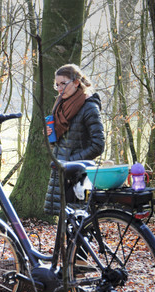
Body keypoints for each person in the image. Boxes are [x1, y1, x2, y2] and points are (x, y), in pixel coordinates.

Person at [44, 64, 105, 215]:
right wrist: (51, 136)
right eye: (57, 84)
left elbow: (98, 145)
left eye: (63, 84)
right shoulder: (60, 106)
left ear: (76, 82)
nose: (59, 88)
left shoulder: (89, 107)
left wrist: (71, 162)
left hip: (79, 176)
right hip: (61, 173)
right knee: (64, 225)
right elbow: (62, 144)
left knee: (79, 224)